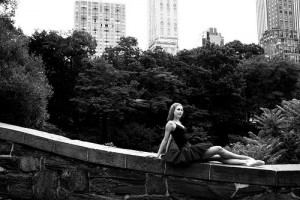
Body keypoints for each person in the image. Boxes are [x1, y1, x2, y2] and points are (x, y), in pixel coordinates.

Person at [157, 103, 265, 167]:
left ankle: (247, 163)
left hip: (190, 151)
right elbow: (166, 140)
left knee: (219, 158)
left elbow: (172, 139)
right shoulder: (170, 123)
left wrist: (166, 153)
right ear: (173, 111)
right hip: (188, 154)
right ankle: (248, 159)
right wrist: (159, 154)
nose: (180, 111)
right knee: (219, 149)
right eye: (178, 109)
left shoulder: (179, 123)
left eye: (182, 110)